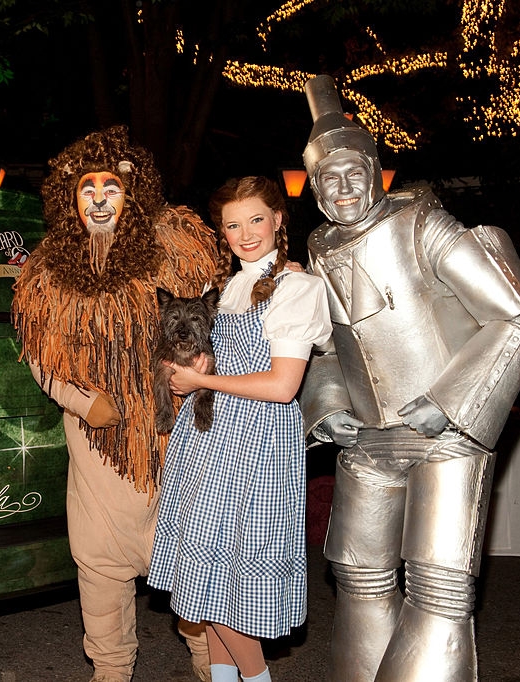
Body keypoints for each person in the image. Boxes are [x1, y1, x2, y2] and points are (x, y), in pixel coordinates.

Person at [298, 74, 520, 681]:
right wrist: (326, 405)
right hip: (369, 442)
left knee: (438, 582)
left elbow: (513, 316)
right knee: (357, 573)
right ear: (315, 189)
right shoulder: (320, 249)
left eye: (356, 172)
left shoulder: (424, 225)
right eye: (330, 177)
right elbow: (324, 345)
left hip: (444, 438)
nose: (345, 187)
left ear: (378, 172)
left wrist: (452, 402)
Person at [11, 125, 217, 682]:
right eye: (87, 187)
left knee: (195, 560)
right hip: (99, 441)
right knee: (100, 563)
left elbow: (220, 304)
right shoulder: (49, 270)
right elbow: (39, 353)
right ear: (69, 196)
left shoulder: (170, 252)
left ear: (132, 192)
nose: (99, 197)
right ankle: (110, 671)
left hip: (174, 436)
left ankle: (212, 666)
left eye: (111, 186)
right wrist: (79, 400)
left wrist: (275, 276)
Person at [147, 176, 332, 682]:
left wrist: (201, 378)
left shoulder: (299, 287)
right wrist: (183, 377)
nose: (246, 233)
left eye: (256, 220)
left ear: (279, 220)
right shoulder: (228, 287)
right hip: (207, 441)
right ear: (221, 232)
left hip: (256, 446)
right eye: (233, 224)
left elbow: (282, 385)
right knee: (205, 590)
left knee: (232, 596)